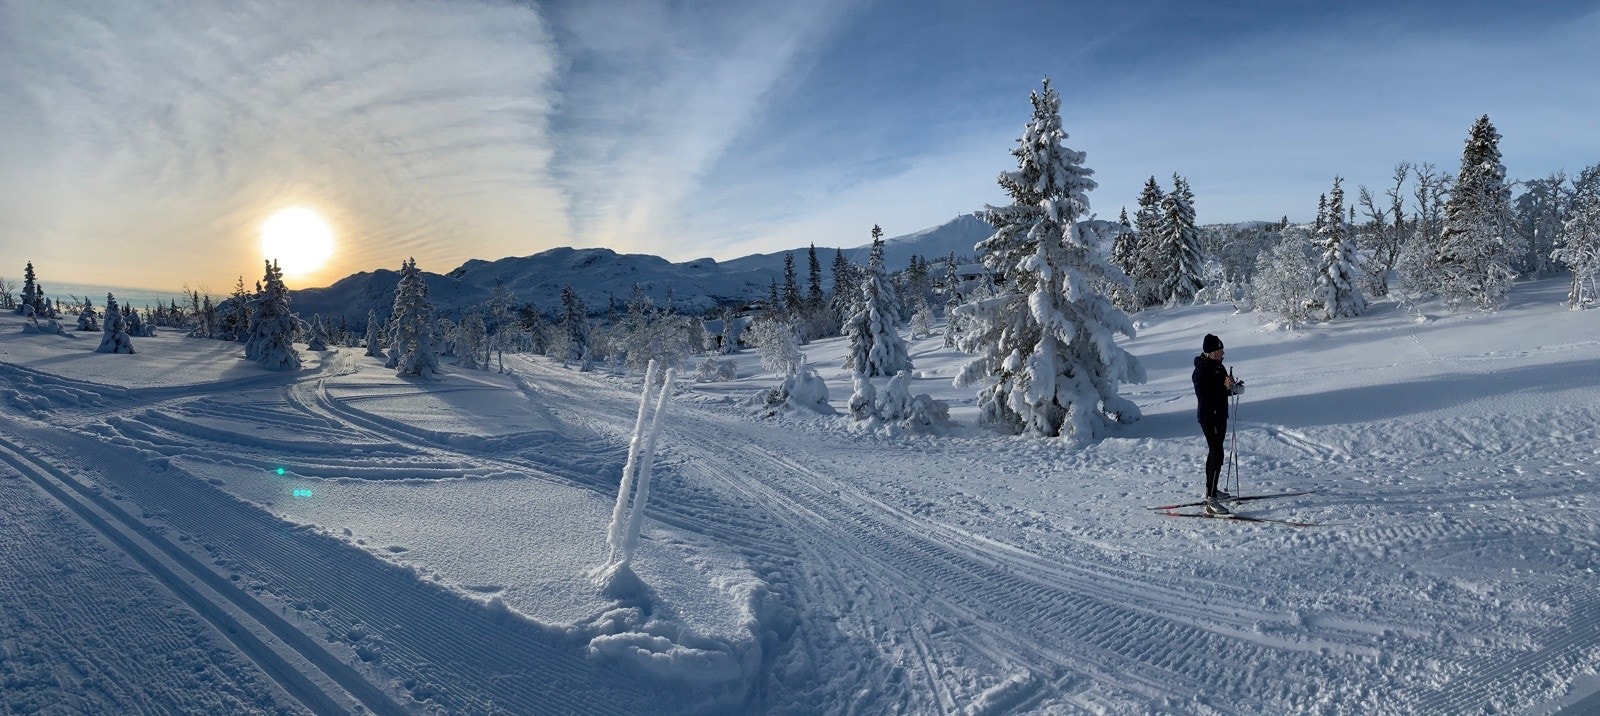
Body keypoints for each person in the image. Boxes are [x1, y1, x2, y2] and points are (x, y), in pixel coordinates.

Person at [1192, 333, 1243, 516]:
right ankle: (1211, 500)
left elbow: (1223, 391)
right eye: (1220, 351)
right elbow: (1204, 397)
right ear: (1212, 353)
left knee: (1214, 454)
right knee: (1217, 455)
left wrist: (1233, 388)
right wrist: (1223, 387)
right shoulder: (1201, 371)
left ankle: (1210, 491)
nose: (1223, 354)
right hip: (1209, 417)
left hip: (1220, 416)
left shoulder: (1219, 367)